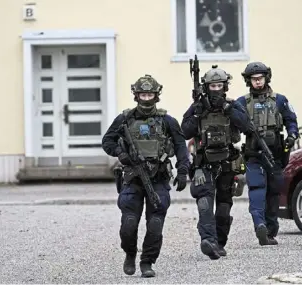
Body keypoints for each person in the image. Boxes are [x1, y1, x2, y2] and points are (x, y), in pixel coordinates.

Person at [102, 74, 190, 278]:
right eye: (143, 94)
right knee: (129, 223)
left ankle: (147, 261)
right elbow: (108, 141)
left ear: (156, 95)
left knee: (156, 223)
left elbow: (180, 147)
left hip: (158, 177)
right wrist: (121, 154)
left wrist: (183, 171)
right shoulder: (124, 118)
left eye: (150, 94)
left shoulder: (167, 120)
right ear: (136, 95)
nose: (146, 98)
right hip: (132, 177)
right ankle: (130, 253)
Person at [181, 65, 250, 259]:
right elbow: (184, 131)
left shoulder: (233, 105)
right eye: (212, 86)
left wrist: (229, 110)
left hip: (227, 164)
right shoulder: (197, 107)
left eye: (219, 85)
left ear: (225, 86)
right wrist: (198, 114)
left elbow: (246, 126)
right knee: (204, 205)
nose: (216, 90)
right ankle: (208, 241)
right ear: (206, 87)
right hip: (204, 165)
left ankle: (220, 242)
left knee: (223, 208)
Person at [236, 62, 299, 245]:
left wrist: (292, 136)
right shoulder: (242, 102)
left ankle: (270, 230)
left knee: (274, 191)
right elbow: (233, 125)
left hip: (276, 154)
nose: (257, 82)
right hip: (253, 154)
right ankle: (260, 225)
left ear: (266, 78)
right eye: (254, 79)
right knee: (256, 188)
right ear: (249, 81)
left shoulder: (279, 100)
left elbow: (291, 121)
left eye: (260, 78)